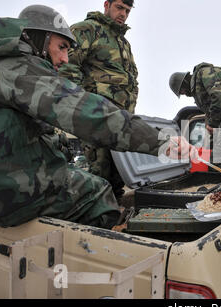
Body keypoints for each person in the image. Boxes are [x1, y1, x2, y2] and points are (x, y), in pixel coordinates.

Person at [0, 5, 187, 229]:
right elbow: (87, 113)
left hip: (0, 176)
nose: (64, 58)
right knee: (99, 190)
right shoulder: (20, 69)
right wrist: (161, 143)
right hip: (4, 192)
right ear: (37, 38)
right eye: (61, 47)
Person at [59, 0, 138, 201]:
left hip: (121, 119)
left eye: (127, 11)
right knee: (98, 174)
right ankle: (95, 224)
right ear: (107, 4)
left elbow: (131, 80)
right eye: (119, 7)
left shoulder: (123, 43)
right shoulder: (87, 30)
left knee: (118, 176)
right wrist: (83, 103)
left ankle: (115, 218)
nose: (123, 14)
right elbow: (67, 66)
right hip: (96, 116)